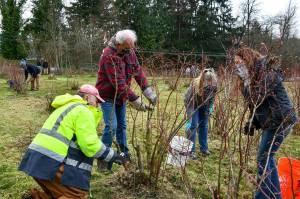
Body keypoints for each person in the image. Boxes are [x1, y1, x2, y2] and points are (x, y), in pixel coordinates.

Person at [19, 84, 126, 199]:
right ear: (87, 97)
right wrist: (115, 156)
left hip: (36, 158)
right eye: (96, 101)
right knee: (76, 195)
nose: (98, 105)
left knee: (58, 194)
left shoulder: (66, 107)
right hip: (52, 160)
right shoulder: (83, 111)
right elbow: (90, 145)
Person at [233, 47, 297, 199]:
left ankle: (263, 196)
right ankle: (274, 195)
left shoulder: (267, 72)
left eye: (239, 62)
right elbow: (255, 106)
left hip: (281, 119)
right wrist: (252, 121)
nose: (237, 66)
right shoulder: (248, 79)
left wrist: (247, 81)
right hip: (271, 121)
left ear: (247, 59)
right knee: (266, 157)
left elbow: (259, 96)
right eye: (235, 63)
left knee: (263, 157)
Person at [96, 29, 157, 170]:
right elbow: (119, 83)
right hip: (108, 96)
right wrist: (136, 101)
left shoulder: (130, 52)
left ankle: (124, 155)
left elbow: (138, 71)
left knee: (122, 127)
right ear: (118, 44)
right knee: (111, 127)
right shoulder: (108, 55)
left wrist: (149, 93)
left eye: (132, 47)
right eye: (127, 48)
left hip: (121, 96)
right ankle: (103, 160)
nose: (130, 51)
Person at [184, 68, 217, 159]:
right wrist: (189, 118)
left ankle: (204, 148)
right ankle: (191, 151)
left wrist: (210, 107)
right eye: (208, 81)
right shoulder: (195, 84)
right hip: (193, 105)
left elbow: (212, 98)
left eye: (212, 81)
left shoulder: (214, 86)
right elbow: (187, 100)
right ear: (204, 80)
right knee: (193, 125)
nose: (210, 83)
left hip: (204, 106)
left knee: (204, 125)